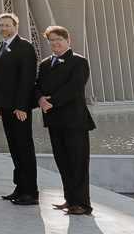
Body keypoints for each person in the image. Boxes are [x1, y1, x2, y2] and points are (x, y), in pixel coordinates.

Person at [36, 26, 95, 216]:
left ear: (67, 41)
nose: (54, 43)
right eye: (51, 40)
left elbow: (74, 87)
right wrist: (39, 99)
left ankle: (82, 203)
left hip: (74, 122)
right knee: (63, 162)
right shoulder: (45, 64)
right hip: (54, 121)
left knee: (77, 163)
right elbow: (38, 85)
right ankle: (70, 200)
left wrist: (50, 103)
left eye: (58, 39)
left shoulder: (79, 62)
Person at [0, 12, 39, 206]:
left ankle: (30, 191)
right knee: (14, 148)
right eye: (1, 25)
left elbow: (28, 79)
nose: (4, 28)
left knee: (24, 148)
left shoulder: (25, 47)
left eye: (7, 25)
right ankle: (19, 187)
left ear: (15, 27)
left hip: (19, 109)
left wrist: (22, 106)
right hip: (5, 107)